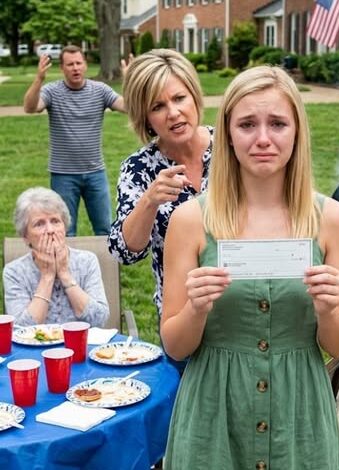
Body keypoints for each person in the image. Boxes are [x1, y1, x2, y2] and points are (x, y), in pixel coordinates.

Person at [160, 65, 339, 469]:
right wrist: (195, 309)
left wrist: (327, 311)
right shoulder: (190, 220)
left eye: (278, 124)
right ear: (228, 134)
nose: (263, 138)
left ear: (297, 132)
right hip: (214, 417)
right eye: (247, 124)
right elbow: (175, 346)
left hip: (298, 418)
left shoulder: (333, 219)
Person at [108, 49, 212, 356]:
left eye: (179, 98)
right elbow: (124, 251)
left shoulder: (232, 148)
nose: (174, 113)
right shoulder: (138, 168)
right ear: (146, 118)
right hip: (180, 320)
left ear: (194, 96)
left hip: (240, 310)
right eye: (158, 106)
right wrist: (149, 201)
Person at [23, 45, 126, 237]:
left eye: (79, 63)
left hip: (95, 172)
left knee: (105, 230)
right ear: (62, 68)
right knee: (65, 231)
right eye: (70, 64)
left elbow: (128, 107)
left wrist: (130, 80)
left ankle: (105, 259)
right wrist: (39, 79)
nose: (75, 68)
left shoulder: (100, 90)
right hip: (63, 175)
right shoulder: (52, 91)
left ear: (85, 65)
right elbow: (30, 107)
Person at [3, 187, 109, 327]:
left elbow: (99, 319)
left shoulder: (87, 261)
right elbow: (20, 328)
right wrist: (47, 276)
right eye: (39, 224)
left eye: (55, 221)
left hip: (82, 340)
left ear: (65, 227)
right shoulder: (14, 271)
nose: (50, 230)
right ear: (25, 236)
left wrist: (64, 273)